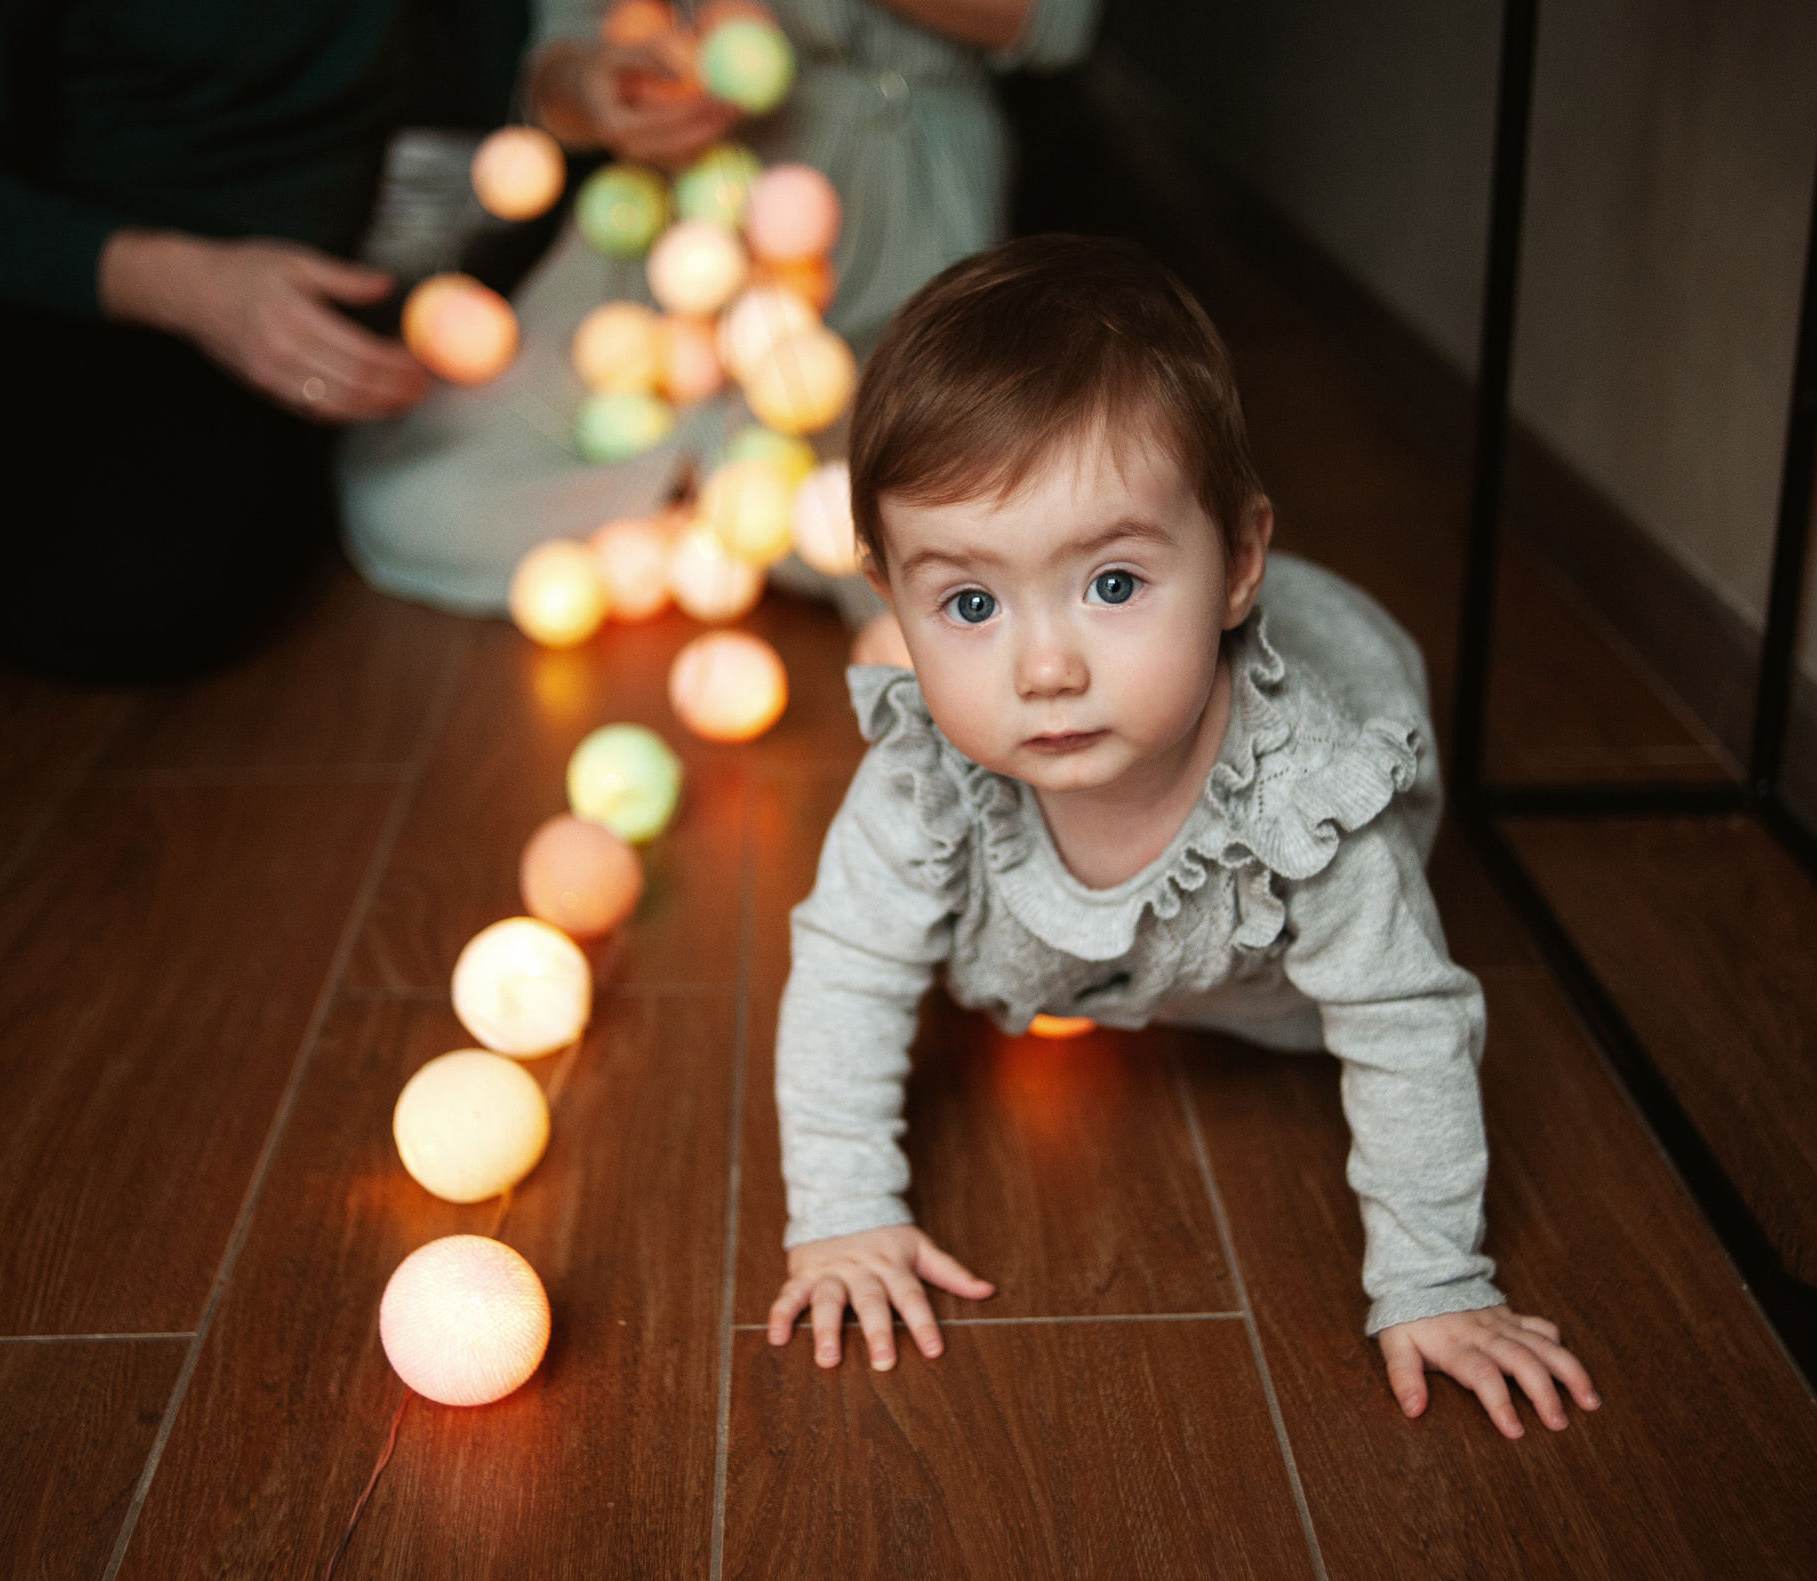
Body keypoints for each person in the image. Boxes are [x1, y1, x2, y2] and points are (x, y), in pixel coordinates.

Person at [764, 237, 1603, 1439]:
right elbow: (848, 966)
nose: (1044, 667)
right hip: (1086, 940)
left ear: (1243, 563)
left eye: (1111, 584)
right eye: (968, 603)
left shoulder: (1313, 804)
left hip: (1281, 905)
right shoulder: (924, 783)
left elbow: (1405, 1026)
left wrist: (1434, 1281)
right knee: (913, 920)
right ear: (893, 604)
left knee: (1363, 959)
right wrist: (843, 1208)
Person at [0, 0, 536, 678]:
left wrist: (560, 106)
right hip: (27, 267)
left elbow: (470, 101)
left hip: (260, 312)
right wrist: (181, 286)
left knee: (153, 593)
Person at [336, 0, 1099, 620]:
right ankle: (722, 492)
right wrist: (598, 92)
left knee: (944, 513)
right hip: (669, 228)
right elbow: (555, 71)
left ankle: (728, 489)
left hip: (889, 203)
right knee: (414, 494)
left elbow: (1055, 23)